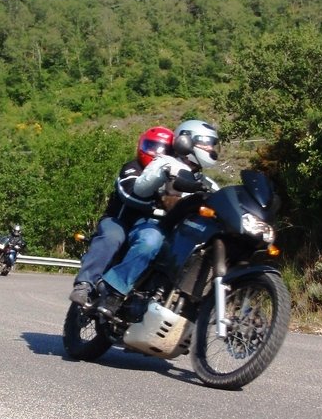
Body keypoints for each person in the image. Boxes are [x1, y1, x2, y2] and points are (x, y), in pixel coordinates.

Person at [96, 119, 221, 319]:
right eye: (206, 142)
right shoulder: (165, 162)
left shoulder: (205, 181)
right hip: (155, 223)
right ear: (187, 141)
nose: (211, 148)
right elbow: (141, 188)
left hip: (186, 231)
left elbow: (219, 197)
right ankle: (115, 293)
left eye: (213, 144)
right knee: (149, 242)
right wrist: (164, 174)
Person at [68, 126, 175, 307]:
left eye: (162, 149)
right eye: (151, 146)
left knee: (153, 242)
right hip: (119, 220)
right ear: (140, 146)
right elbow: (129, 193)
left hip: (146, 226)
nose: (156, 152)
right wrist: (156, 203)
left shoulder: (171, 176)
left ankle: (128, 291)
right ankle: (85, 284)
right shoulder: (132, 168)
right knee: (112, 237)